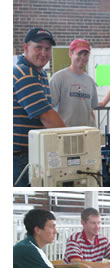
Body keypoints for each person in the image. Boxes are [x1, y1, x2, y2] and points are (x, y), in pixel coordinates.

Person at [13, 28, 65, 187]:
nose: (43, 53)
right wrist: (74, 142)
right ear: (25, 48)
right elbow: (47, 116)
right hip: (19, 156)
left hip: (33, 151)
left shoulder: (41, 74)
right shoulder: (24, 73)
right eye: (38, 47)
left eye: (47, 49)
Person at [50, 39, 98, 127]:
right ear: (70, 54)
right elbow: (49, 109)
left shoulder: (90, 81)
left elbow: (90, 110)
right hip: (65, 133)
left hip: (86, 133)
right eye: (79, 54)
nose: (82, 58)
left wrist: (94, 129)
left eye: (85, 54)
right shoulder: (58, 78)